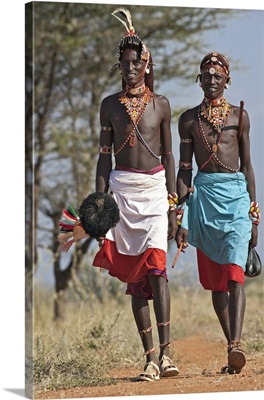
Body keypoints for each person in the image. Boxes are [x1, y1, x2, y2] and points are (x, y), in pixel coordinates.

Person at [92, 7, 179, 381]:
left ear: (146, 64)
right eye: (125, 63)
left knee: (158, 270)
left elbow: (171, 156)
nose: (130, 69)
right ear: (120, 65)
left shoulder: (161, 105)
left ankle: (167, 353)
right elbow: (103, 161)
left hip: (156, 193)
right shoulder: (109, 106)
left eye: (136, 63)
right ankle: (148, 360)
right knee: (136, 280)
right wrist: (98, 209)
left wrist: (174, 206)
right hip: (122, 195)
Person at [175, 52, 260, 374]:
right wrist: (180, 216)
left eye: (217, 75)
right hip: (204, 199)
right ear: (199, 80)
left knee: (236, 271)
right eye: (206, 75)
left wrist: (254, 215)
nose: (211, 80)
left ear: (227, 80)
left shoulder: (240, 116)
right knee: (215, 281)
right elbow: (184, 170)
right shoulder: (188, 119)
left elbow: (248, 166)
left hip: (237, 198)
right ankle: (230, 348)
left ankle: (237, 343)